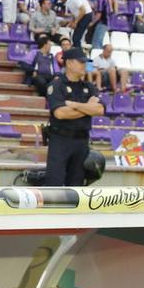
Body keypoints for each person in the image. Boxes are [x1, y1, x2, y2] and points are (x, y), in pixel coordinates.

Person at [44, 47, 102, 187]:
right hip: (61, 140)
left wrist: (74, 105)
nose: (84, 65)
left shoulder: (89, 87)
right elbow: (60, 113)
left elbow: (99, 109)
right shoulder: (57, 85)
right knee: (54, 182)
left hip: (82, 141)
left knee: (76, 185)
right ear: (69, 63)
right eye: (81, 62)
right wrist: (87, 108)